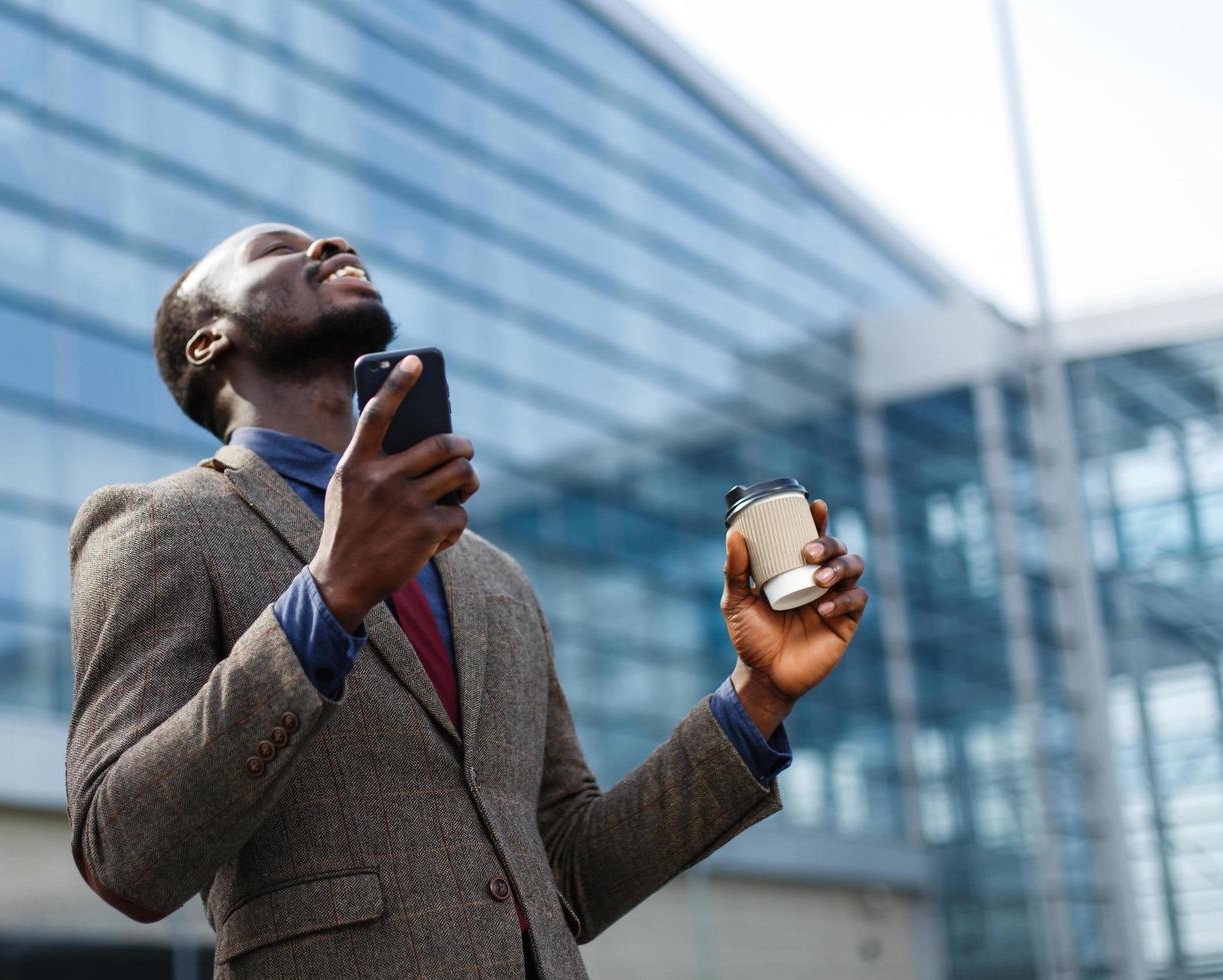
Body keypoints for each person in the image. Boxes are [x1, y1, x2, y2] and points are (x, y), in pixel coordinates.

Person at [65, 224, 868, 979]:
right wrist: (328, 599)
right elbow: (123, 854)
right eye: (280, 248)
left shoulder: (493, 576)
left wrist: (757, 696)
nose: (332, 243)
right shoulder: (157, 526)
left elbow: (568, 870)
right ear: (210, 341)